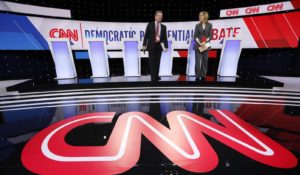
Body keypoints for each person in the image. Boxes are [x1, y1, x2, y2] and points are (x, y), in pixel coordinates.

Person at [142, 10, 168, 82]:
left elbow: (165, 38)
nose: (160, 17)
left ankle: (156, 75)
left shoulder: (163, 27)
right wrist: (144, 45)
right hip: (151, 46)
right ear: (155, 16)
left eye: (161, 16)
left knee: (157, 62)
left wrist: (166, 46)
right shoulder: (150, 24)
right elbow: (146, 35)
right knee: (151, 62)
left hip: (159, 46)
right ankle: (153, 76)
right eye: (159, 15)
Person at [193, 11, 213, 81]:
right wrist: (199, 42)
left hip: (206, 44)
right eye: (199, 15)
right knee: (197, 61)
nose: (200, 17)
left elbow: (211, 35)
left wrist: (205, 41)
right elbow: (195, 36)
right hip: (198, 45)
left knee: (205, 60)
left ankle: (203, 75)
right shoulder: (197, 25)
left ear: (205, 16)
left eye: (201, 15)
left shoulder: (210, 25)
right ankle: (197, 75)